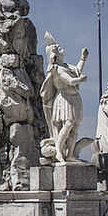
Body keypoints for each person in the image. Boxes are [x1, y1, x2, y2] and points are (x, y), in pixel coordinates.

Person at [39, 33, 88, 163]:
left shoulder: (67, 66)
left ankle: (70, 154)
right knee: (68, 124)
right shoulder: (57, 69)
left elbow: (77, 70)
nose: (62, 49)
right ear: (55, 54)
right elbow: (70, 81)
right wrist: (80, 80)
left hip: (75, 98)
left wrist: (83, 59)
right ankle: (59, 152)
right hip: (65, 98)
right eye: (59, 48)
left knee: (75, 127)